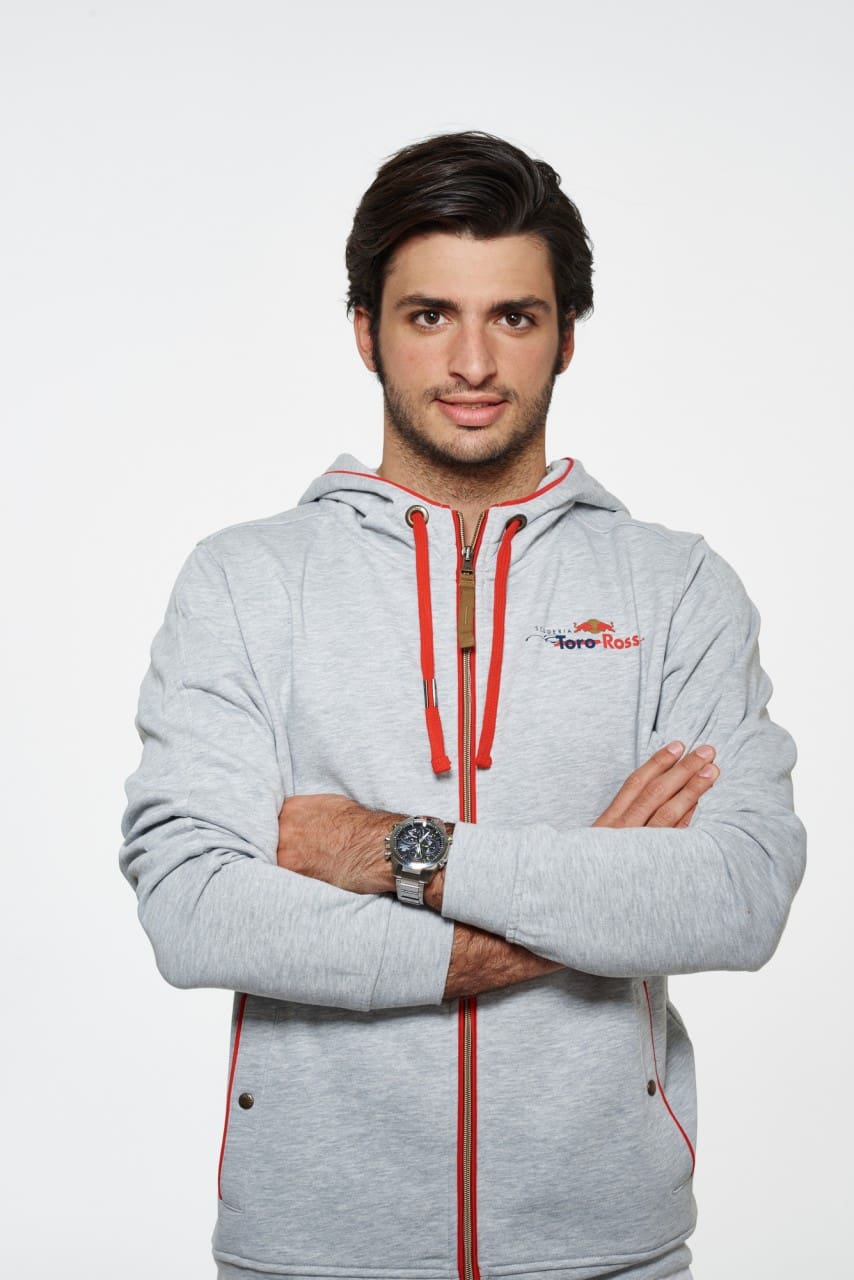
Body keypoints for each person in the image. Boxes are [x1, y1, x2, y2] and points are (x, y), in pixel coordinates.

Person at [118, 130, 806, 1280]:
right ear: (364, 331)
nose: (473, 362)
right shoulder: (244, 581)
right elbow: (194, 908)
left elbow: (735, 892)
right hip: (313, 1249)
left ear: (565, 335)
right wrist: (586, 897)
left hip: (608, 1247)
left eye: (514, 316)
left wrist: (390, 848)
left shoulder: (675, 585)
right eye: (430, 314)